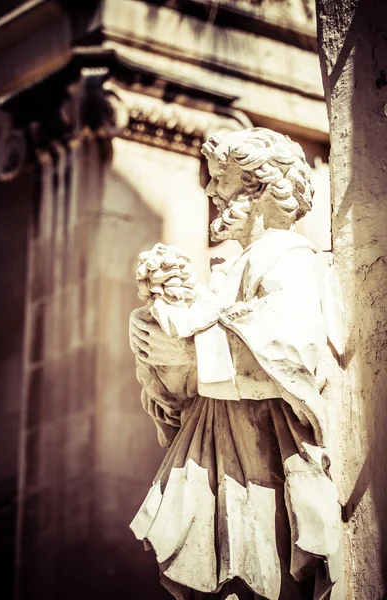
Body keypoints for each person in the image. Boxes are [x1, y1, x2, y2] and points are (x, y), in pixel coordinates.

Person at [129, 128, 341, 600]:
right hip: (221, 460)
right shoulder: (230, 271)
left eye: (220, 179)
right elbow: (185, 397)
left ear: (262, 188)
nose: (209, 192)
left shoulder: (288, 257)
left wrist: (191, 352)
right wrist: (158, 352)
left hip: (262, 467)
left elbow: (292, 351)